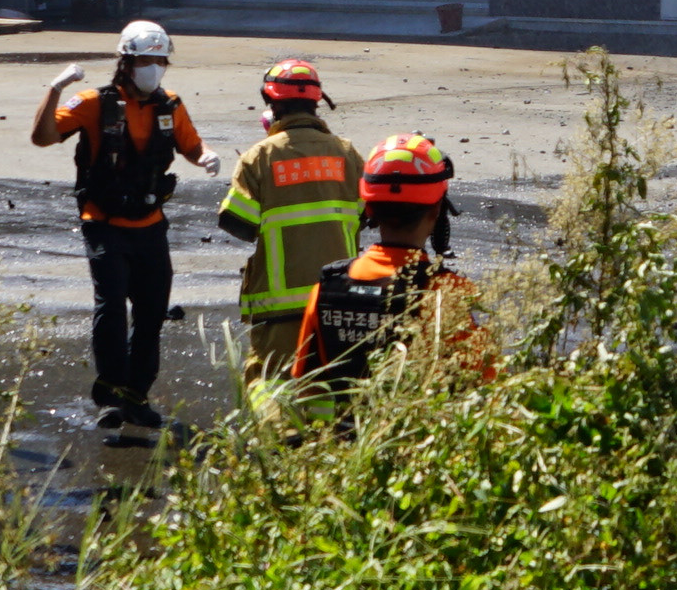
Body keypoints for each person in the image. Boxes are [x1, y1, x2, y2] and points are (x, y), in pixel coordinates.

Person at [32, 18, 209, 431]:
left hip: (150, 224)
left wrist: (207, 156)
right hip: (104, 222)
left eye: (160, 61)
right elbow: (42, 137)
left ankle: (136, 397)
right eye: (145, 61)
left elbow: (191, 146)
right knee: (111, 307)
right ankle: (110, 396)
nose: (154, 69)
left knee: (151, 313)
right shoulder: (94, 102)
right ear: (126, 63)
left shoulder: (170, 105)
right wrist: (55, 89)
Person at [287, 137, 495, 403]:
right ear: (436, 210)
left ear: (369, 207)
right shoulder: (445, 291)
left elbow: (306, 387)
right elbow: (484, 386)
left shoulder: (326, 288)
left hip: (344, 428)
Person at [212, 59, 362, 395]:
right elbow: (368, 215)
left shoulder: (259, 157)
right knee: (331, 391)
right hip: (339, 302)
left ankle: (276, 429)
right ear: (317, 101)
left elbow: (238, 223)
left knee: (271, 387)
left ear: (272, 102)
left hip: (280, 309)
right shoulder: (347, 154)